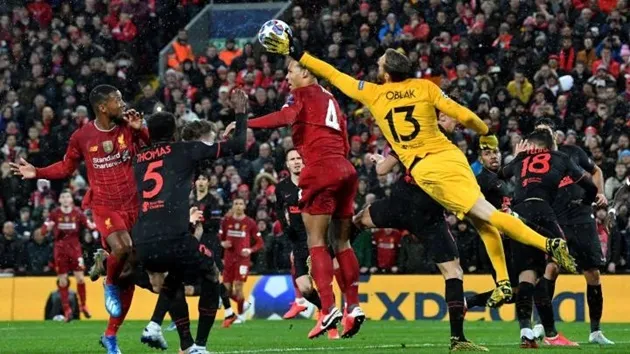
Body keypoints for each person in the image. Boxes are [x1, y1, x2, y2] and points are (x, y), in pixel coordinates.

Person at [262, 32, 577, 308]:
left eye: (380, 65)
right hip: (450, 156)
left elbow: (331, 72)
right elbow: (463, 115)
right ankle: (504, 282)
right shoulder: (425, 87)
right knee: (481, 217)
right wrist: (485, 132)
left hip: (427, 169)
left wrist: (298, 51)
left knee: (488, 214)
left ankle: (548, 244)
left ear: (385, 74)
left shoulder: (373, 93)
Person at [224, 60, 364, 339]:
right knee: (343, 242)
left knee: (317, 242)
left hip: (321, 169)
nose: (286, 76)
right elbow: (345, 138)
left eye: (290, 71)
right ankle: (355, 306)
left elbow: (283, 117)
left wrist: (243, 122)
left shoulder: (304, 94)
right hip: (345, 168)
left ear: (306, 73)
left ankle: (328, 308)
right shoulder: (331, 99)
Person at [10, 84, 148, 354]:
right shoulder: (82, 136)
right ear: (102, 107)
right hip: (104, 205)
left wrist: (140, 128)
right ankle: (107, 281)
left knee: (129, 274)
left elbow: (152, 148)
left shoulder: (127, 126)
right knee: (123, 248)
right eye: (117, 100)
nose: (122, 103)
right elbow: (66, 167)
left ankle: (110, 334)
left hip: (133, 205)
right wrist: (37, 172)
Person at [132, 90, 247, 354]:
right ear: (175, 134)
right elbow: (239, 146)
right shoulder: (183, 149)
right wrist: (241, 113)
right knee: (211, 274)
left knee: (175, 276)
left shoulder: (138, 159)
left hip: (142, 241)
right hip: (173, 235)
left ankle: (181, 341)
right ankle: (200, 346)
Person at [353, 146, 487, 351]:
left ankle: (322, 257)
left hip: (402, 205)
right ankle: (457, 338)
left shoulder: (409, 140)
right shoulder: (449, 151)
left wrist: (382, 161)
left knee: (357, 221)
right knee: (454, 272)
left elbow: (382, 170)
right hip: (428, 214)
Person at [497, 129, 597, 348]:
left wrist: (517, 158)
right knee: (553, 264)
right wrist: (587, 201)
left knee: (527, 274)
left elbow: (500, 174)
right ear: (551, 143)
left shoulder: (520, 160)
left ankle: (526, 333)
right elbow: (590, 184)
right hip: (542, 211)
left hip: (517, 215)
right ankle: (551, 334)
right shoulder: (559, 157)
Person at [533, 119, 614, 346]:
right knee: (551, 268)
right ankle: (542, 324)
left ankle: (595, 331)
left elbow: (595, 169)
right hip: (555, 220)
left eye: (546, 132)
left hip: (582, 217)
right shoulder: (535, 162)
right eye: (539, 133)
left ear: (555, 134)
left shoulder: (573, 152)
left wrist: (599, 193)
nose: (544, 136)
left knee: (593, 274)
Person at [275, 148, 340, 340]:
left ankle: (332, 326)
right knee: (304, 287)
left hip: (318, 238)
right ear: (287, 164)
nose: (296, 162)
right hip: (297, 241)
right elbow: (279, 211)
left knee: (323, 283)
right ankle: (324, 310)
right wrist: (286, 230)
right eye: (292, 159)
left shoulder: (315, 184)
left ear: (304, 162)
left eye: (299, 158)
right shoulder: (282, 188)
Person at [42, 189, 96, 321]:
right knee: (63, 280)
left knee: (81, 279)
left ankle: (83, 305)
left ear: (71, 200)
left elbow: (91, 226)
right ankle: (67, 309)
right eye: (63, 197)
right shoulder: (55, 214)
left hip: (75, 250)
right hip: (60, 250)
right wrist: (46, 228)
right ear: (59, 200)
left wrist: (101, 223)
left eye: (68, 197)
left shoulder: (78, 213)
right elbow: (43, 230)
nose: (65, 199)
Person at [219, 197, 263, 327]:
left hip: (242, 260)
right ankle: (243, 304)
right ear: (233, 206)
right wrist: (223, 243)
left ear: (244, 206)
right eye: (236, 203)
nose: (238, 206)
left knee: (238, 286)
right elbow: (220, 238)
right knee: (225, 290)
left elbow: (260, 243)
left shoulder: (250, 222)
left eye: (240, 204)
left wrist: (250, 250)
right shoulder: (226, 221)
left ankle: (241, 315)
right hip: (228, 259)